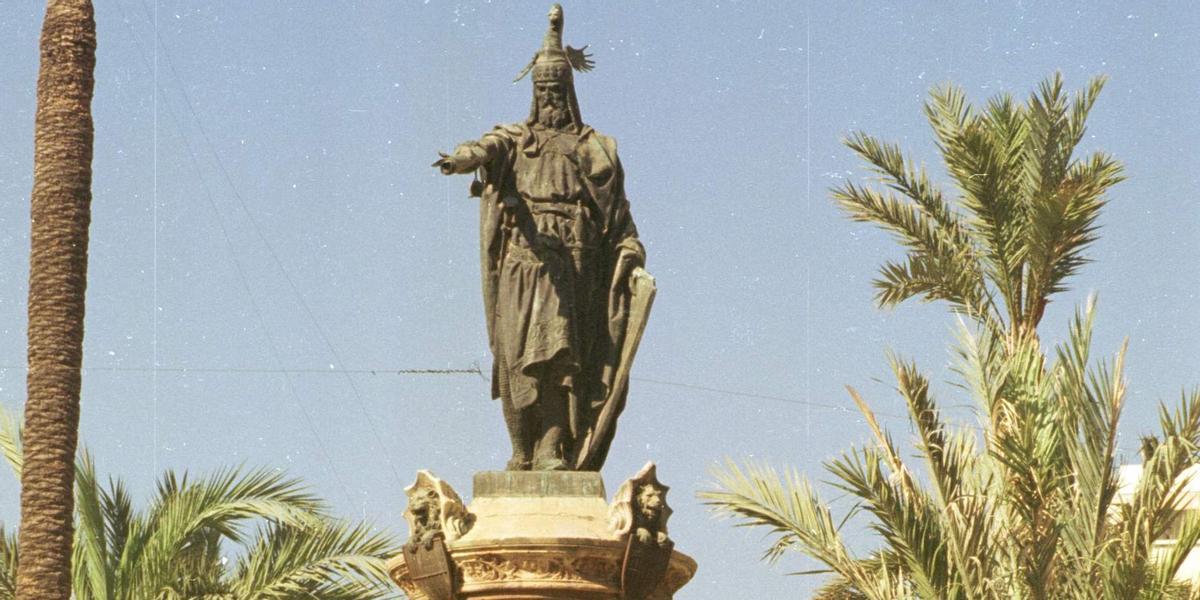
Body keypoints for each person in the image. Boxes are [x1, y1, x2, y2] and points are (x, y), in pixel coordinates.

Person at [434, 5, 644, 471]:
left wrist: (629, 250)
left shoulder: (593, 146)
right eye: (541, 88)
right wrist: (461, 159)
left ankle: (551, 447)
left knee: (560, 354)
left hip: (573, 264)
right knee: (513, 354)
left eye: (556, 88)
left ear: (569, 91)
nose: (549, 95)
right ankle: (520, 448)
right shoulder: (515, 137)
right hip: (522, 260)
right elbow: (484, 147)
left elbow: (619, 217)